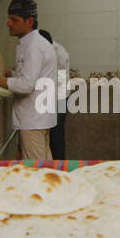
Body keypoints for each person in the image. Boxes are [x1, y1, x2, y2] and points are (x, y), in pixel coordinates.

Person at [0, 0, 57, 160]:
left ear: (29, 21)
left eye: (14, 19)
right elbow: (30, 76)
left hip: (34, 120)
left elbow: (26, 85)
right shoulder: (33, 43)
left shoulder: (33, 46)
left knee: (36, 171)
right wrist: (7, 73)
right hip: (39, 118)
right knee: (45, 164)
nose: (8, 23)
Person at [39, 30, 69, 160]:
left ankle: (59, 166)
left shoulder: (59, 54)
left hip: (59, 98)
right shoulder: (50, 49)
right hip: (52, 96)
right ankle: (53, 164)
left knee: (56, 135)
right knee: (50, 135)